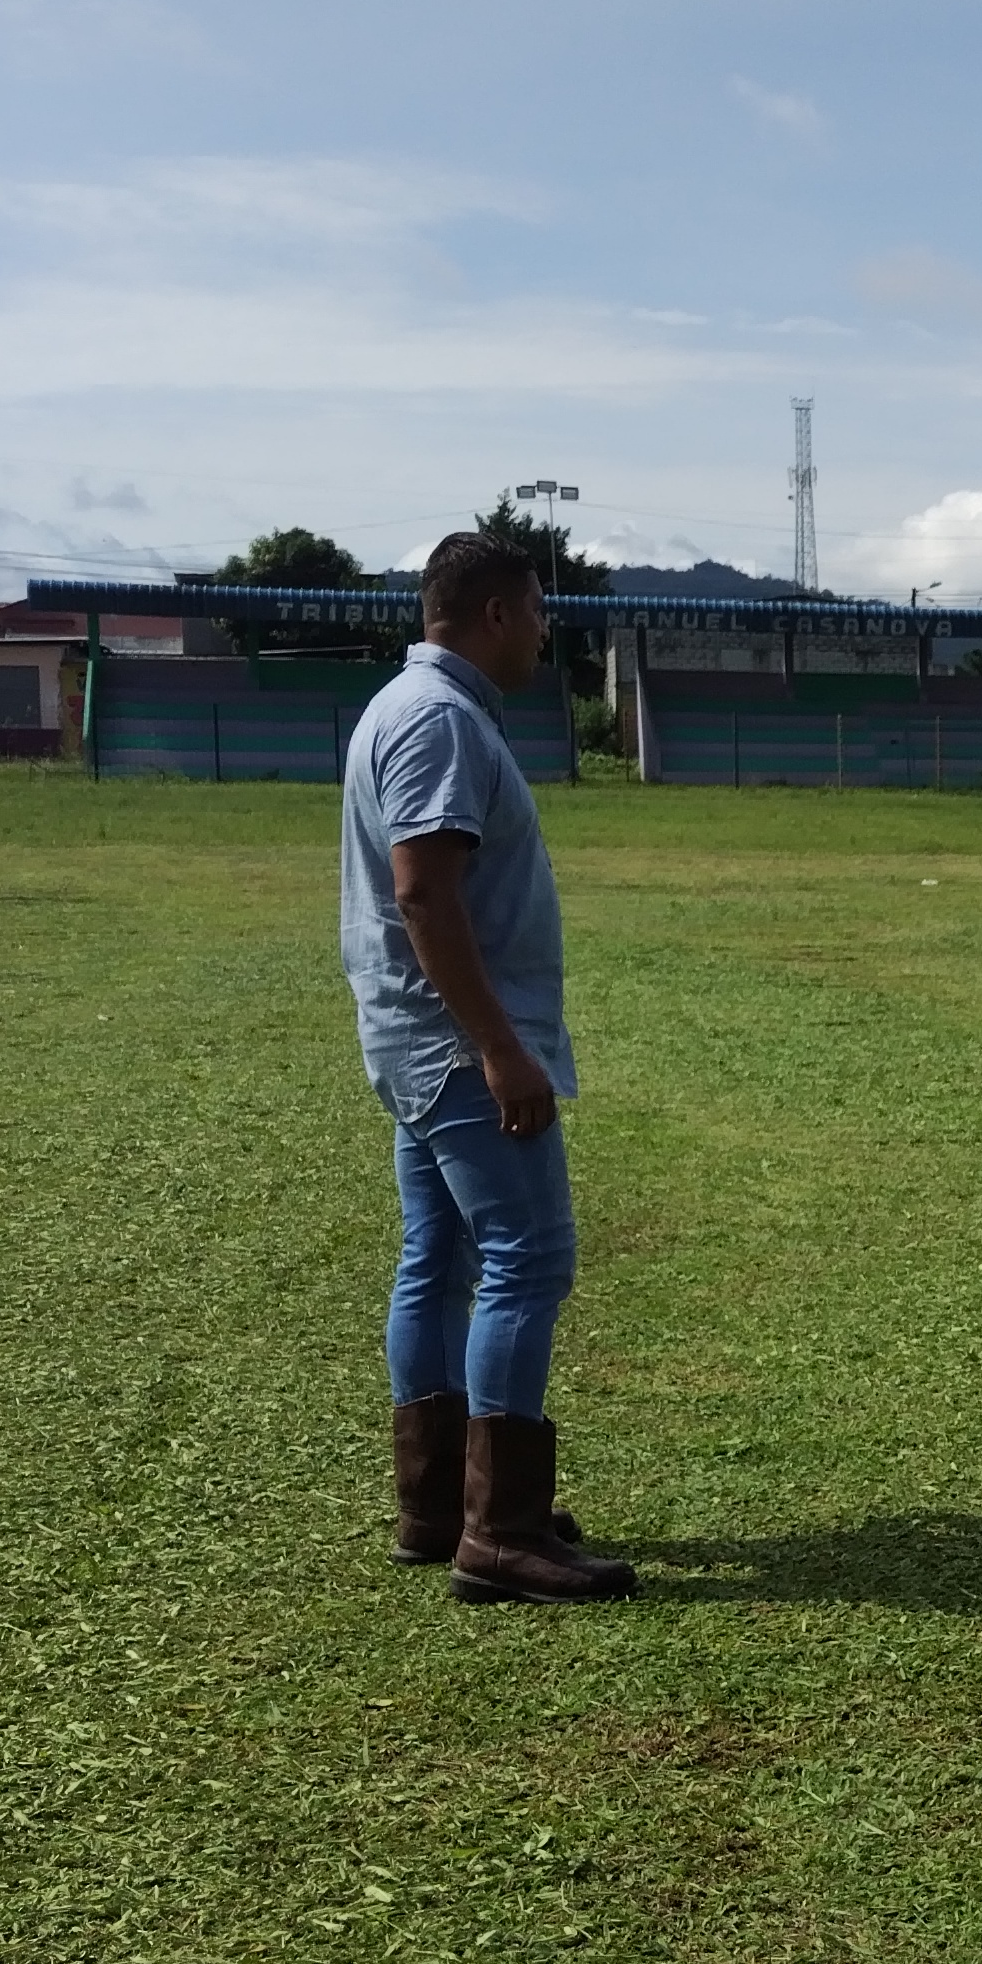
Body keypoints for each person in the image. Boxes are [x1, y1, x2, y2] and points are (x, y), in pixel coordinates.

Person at [339, 529, 634, 1601]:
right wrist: (500, 1049)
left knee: (440, 1258)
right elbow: (424, 892)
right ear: (497, 613)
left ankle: (438, 1505)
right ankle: (501, 1532)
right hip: (461, 1048)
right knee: (529, 1258)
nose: (546, 634)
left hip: (422, 1041)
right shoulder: (440, 719)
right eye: (540, 611)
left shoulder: (406, 706)